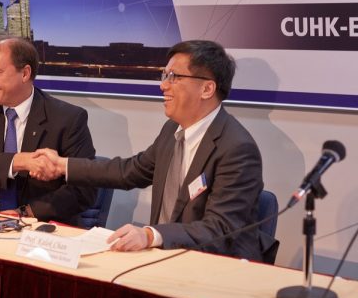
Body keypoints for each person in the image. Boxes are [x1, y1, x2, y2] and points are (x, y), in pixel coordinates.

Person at [34, 40, 271, 261]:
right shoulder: (172, 130)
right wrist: (63, 165)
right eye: (164, 75)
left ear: (207, 89)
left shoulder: (237, 149)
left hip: (213, 267)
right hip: (165, 258)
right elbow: (129, 171)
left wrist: (150, 235)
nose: (163, 85)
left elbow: (219, 229)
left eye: (173, 77)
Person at [0, 36, 97, 226]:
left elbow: (83, 190)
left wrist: (26, 212)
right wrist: (20, 161)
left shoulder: (68, 119)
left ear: (25, 73)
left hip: (39, 223)